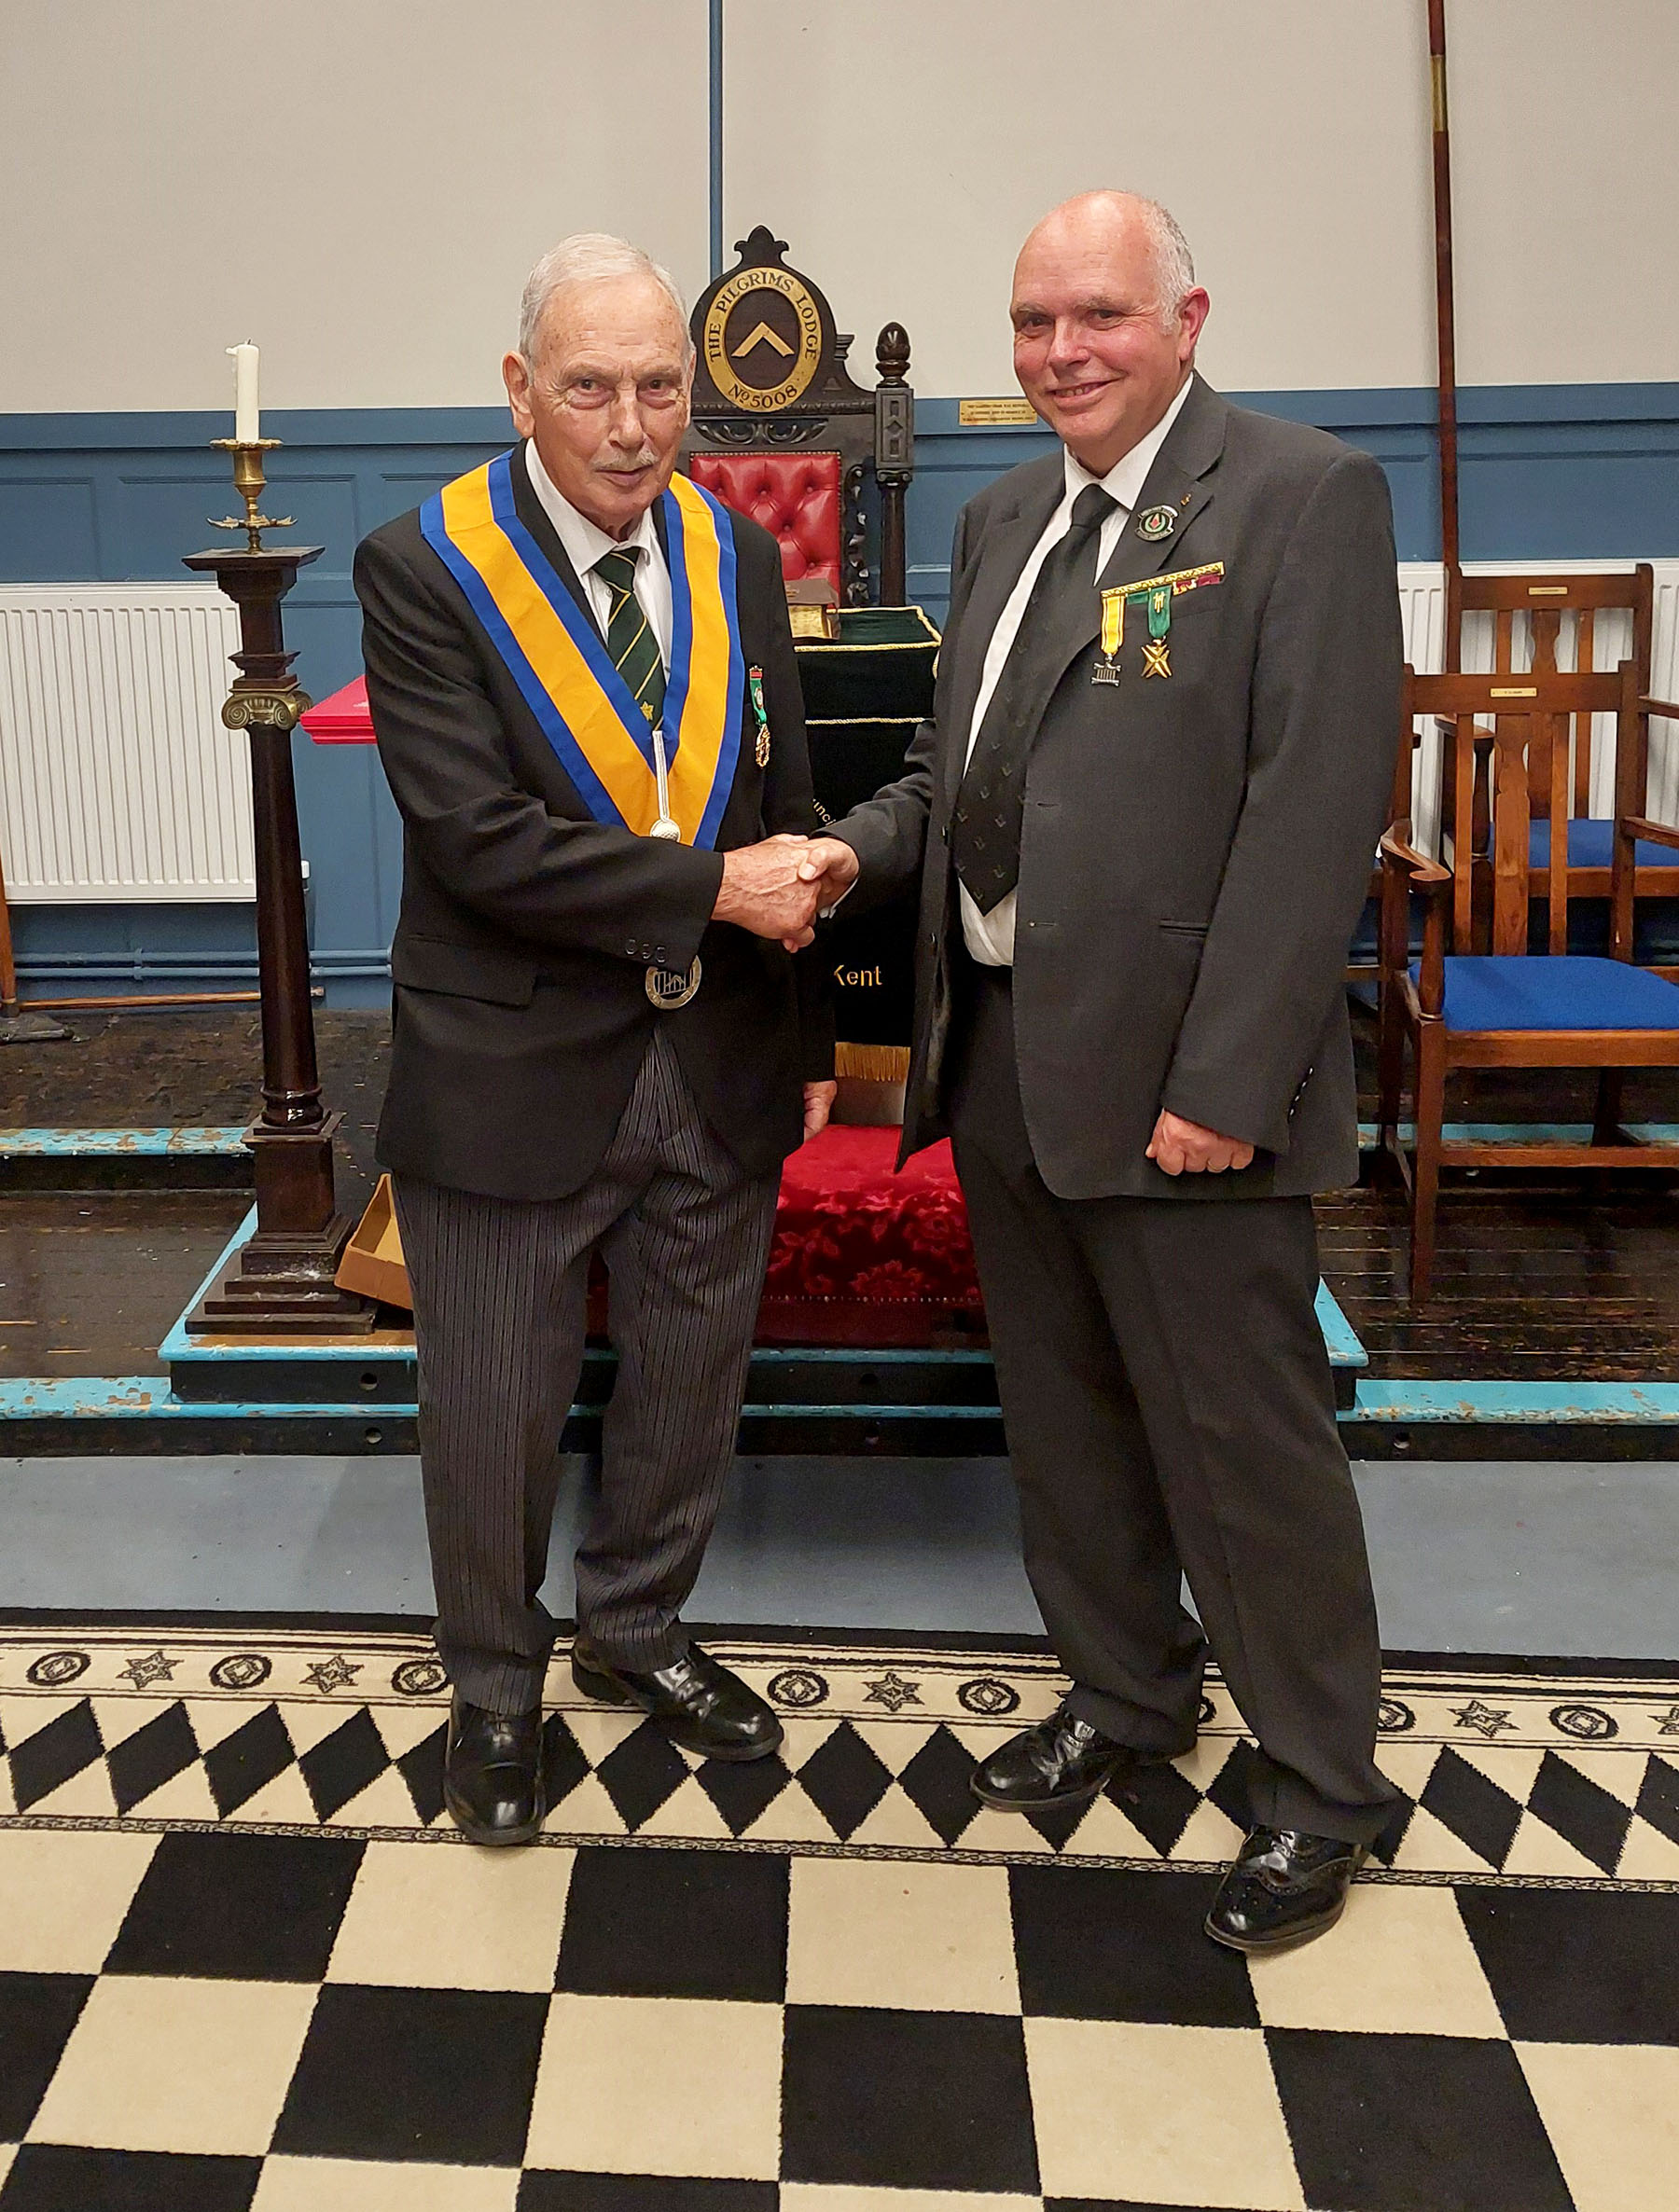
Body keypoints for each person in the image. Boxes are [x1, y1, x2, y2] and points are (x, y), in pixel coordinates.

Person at [798, 190, 1404, 1950]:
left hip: (1187, 1096)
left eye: (1099, 318)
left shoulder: (1299, 499)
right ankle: (1130, 1698)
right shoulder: (1004, 516)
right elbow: (947, 764)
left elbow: (1312, 823)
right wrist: (855, 855)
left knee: (1242, 1451)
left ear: (1189, 316)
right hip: (999, 1063)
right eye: (1034, 322)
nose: (1062, 351)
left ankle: (1323, 1784)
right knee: (1064, 1430)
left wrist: (1226, 1080)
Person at [354, 233, 833, 1846]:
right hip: (516, 1067)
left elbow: (784, 796)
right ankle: (493, 1691)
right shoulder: (424, 568)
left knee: (691, 1385)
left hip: (720, 1061)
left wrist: (813, 1021)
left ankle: (636, 1627)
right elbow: (478, 841)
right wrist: (717, 890)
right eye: (589, 388)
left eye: (659, 387)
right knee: (492, 1406)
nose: (630, 426)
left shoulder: (735, 553)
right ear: (519, 390)